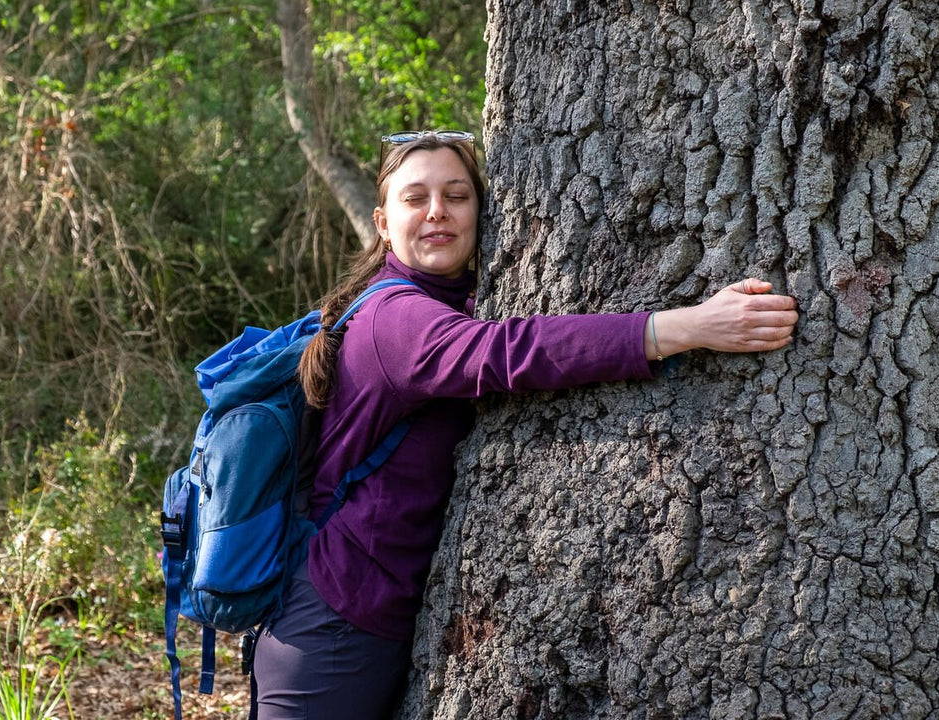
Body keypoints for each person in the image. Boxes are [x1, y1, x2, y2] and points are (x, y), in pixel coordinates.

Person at [250, 130, 798, 719]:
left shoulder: (443, 303)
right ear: (383, 223)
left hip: (362, 615)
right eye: (415, 198)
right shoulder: (395, 318)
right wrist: (688, 327)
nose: (437, 211)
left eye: (456, 196)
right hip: (333, 624)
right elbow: (510, 351)